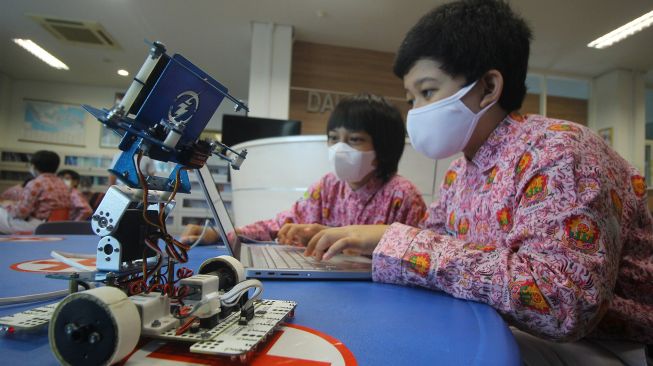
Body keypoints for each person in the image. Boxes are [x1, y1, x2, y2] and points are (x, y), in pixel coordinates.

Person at [303, 1, 653, 365]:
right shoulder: (460, 172)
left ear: (487, 87)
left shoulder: (559, 151)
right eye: (411, 99)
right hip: (505, 325)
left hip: (607, 345)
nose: (416, 113)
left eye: (427, 92)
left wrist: (398, 242)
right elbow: (437, 250)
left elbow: (562, 304)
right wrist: (358, 246)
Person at [182, 93, 427, 246]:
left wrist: (330, 238)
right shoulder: (328, 186)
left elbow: (414, 256)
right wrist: (219, 234)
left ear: (384, 147)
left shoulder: (404, 196)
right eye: (333, 138)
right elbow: (276, 225)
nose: (339, 148)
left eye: (354, 139)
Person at [0, 150, 71, 233]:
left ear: (34, 166)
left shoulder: (36, 183)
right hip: (58, 226)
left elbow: (21, 214)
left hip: (39, 226)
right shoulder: (62, 183)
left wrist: (7, 206)